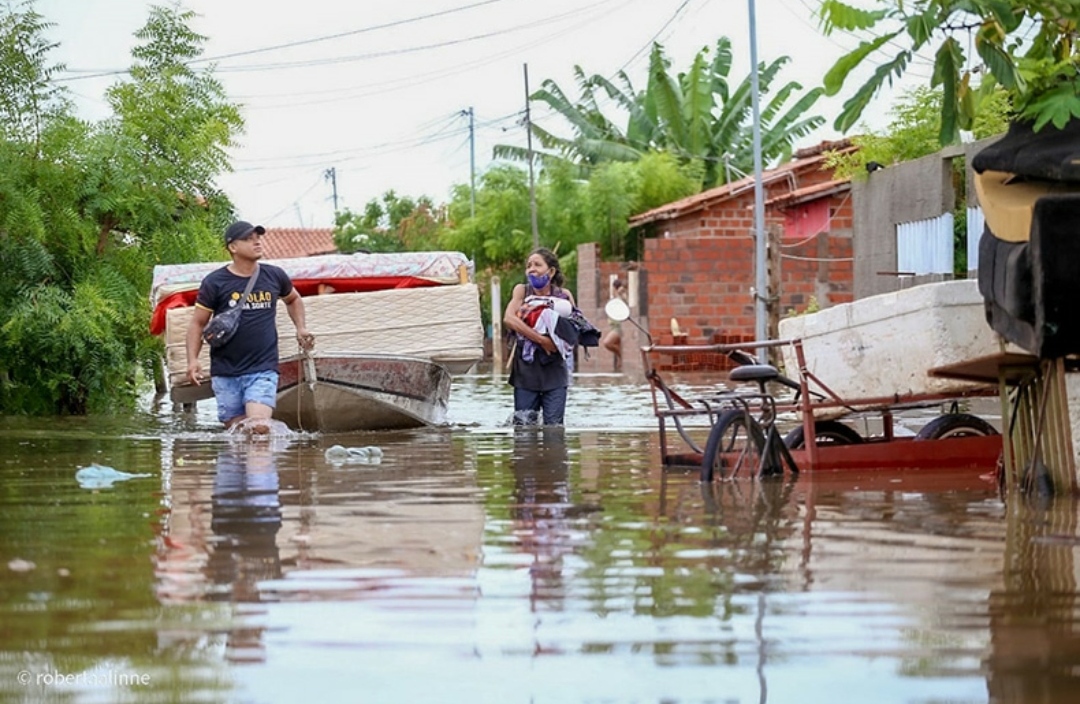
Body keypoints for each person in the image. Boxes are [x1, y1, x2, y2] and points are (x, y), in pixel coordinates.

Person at [186, 221, 314, 432]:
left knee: (259, 427)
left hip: (262, 368)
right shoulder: (215, 282)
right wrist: (192, 360)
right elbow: (198, 323)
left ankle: (260, 462)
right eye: (248, 239)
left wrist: (300, 328)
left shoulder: (274, 275)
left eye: (258, 238)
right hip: (225, 371)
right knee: (236, 432)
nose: (256, 242)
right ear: (232, 247)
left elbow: (293, 299)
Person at [503, 248, 576, 425]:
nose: (531, 269)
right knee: (524, 427)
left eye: (537, 265)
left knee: (554, 428)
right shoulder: (522, 291)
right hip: (526, 370)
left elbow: (574, 328)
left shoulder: (564, 296)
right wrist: (542, 340)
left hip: (555, 369)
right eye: (528, 266)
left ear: (551, 271)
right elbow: (509, 318)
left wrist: (556, 342)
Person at [600, 278, 628, 371]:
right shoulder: (614, 297)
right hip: (613, 326)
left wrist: (621, 292)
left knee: (607, 343)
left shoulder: (621, 296)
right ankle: (620, 359)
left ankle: (621, 356)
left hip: (619, 327)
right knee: (615, 345)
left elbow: (625, 302)